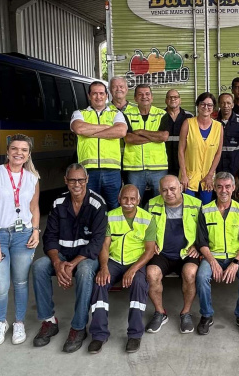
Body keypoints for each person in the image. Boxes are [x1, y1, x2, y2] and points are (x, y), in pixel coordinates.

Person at [31, 163, 108, 353]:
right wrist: (57, 263)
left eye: (81, 180)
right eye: (72, 180)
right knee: (39, 266)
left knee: (84, 271)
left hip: (85, 257)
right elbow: (49, 237)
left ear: (87, 180)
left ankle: (79, 327)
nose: (77, 184)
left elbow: (97, 243)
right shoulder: (58, 203)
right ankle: (49, 321)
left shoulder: (97, 204)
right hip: (63, 255)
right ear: (66, 181)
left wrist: (71, 264)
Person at [0, 135, 41, 346]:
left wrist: (36, 230)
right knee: (0, 286)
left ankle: (19, 322)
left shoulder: (32, 178)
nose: (18, 153)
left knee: (21, 282)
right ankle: (1, 322)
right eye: (14, 148)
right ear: (8, 151)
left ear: (29, 154)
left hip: (24, 235)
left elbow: (34, 207)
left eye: (23, 150)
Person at [87, 185, 156, 354]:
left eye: (133, 199)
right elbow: (104, 245)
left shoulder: (148, 218)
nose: (128, 202)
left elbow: (149, 251)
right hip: (114, 260)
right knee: (100, 283)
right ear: (119, 199)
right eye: (125, 198)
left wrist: (133, 270)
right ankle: (99, 335)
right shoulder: (110, 217)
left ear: (139, 201)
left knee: (139, 283)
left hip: (136, 261)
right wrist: (103, 267)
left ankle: (134, 334)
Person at [196, 173, 239, 336]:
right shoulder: (205, 210)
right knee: (201, 277)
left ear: (233, 188)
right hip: (212, 256)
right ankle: (206, 314)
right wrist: (213, 262)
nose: (224, 190)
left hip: (237, 256)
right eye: (220, 186)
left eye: (228, 186)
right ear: (214, 188)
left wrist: (235, 263)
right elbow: (202, 242)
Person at [143, 176, 203, 334]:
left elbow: (207, 230)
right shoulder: (151, 204)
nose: (168, 193)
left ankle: (186, 312)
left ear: (181, 188)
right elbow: (140, 227)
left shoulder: (196, 204)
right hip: (161, 252)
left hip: (187, 252)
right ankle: (160, 313)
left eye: (172, 189)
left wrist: (198, 245)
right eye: (164, 190)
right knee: (151, 274)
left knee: (190, 273)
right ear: (159, 191)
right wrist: (149, 243)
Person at [70, 81, 127, 210]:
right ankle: (90, 231)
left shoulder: (116, 114)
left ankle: (112, 231)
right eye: (94, 93)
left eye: (101, 93)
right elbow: (79, 129)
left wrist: (90, 133)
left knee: (113, 206)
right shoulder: (79, 113)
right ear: (89, 96)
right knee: (89, 206)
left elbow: (121, 131)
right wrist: (107, 128)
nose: (98, 96)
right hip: (88, 170)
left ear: (107, 95)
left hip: (112, 170)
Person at [123, 84, 169, 200]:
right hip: (134, 168)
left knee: (160, 201)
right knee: (133, 201)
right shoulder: (127, 114)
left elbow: (163, 136)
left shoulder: (161, 114)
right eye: (140, 94)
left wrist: (141, 131)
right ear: (135, 98)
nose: (144, 97)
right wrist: (153, 137)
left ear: (152, 97)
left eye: (147, 94)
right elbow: (128, 138)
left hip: (158, 167)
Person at [178, 92, 223, 204]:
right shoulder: (188, 123)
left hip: (208, 176)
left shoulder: (218, 127)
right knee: (188, 207)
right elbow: (181, 150)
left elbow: (218, 153)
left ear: (213, 108)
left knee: (206, 207)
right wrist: (183, 174)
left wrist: (210, 175)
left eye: (209, 105)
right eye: (203, 104)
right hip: (188, 175)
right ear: (198, 105)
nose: (206, 107)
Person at [161, 89, 194, 177]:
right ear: (165, 100)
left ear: (180, 100)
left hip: (184, 162)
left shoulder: (189, 117)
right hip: (164, 162)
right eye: (170, 97)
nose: (173, 99)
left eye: (176, 97)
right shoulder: (160, 116)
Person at [216, 92, 239, 175]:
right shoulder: (213, 122)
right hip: (218, 165)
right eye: (223, 103)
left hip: (236, 166)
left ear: (233, 105)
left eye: (228, 103)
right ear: (219, 104)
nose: (226, 106)